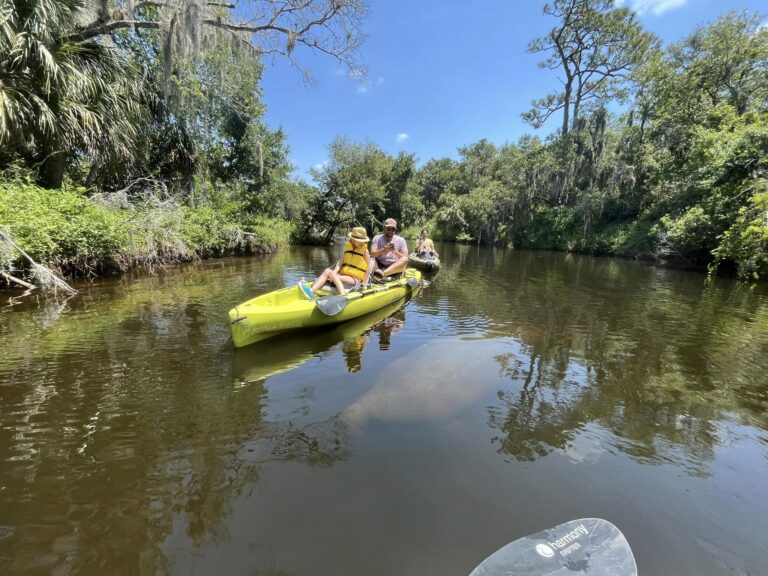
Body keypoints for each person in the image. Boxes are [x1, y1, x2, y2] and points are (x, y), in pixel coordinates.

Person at [299, 226, 372, 299]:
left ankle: (343, 294)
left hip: (355, 279)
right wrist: (334, 272)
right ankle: (311, 291)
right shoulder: (348, 248)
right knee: (328, 271)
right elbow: (339, 263)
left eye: (363, 240)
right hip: (345, 276)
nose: (362, 242)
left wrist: (365, 282)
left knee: (333, 275)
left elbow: (369, 267)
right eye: (359, 240)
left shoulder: (365, 251)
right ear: (352, 240)